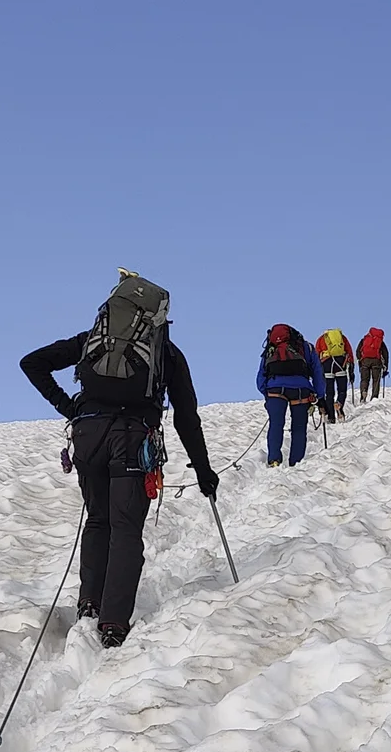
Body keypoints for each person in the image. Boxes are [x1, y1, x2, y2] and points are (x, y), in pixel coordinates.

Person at [20, 271, 218, 648]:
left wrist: (70, 408)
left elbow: (32, 362)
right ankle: (113, 624)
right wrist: (203, 469)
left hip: (88, 437)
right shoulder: (167, 354)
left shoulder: (92, 340)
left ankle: (89, 605)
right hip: (133, 440)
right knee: (126, 529)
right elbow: (186, 417)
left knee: (98, 520)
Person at [256, 324, 327, 467]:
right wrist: (320, 396)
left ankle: (274, 459)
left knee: (276, 424)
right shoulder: (306, 347)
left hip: (275, 389)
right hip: (301, 390)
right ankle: (296, 463)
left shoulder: (271, 348)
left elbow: (261, 376)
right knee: (299, 427)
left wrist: (267, 393)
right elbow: (317, 372)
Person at [315, 328, 355, 421]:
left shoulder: (321, 339)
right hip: (340, 363)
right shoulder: (342, 338)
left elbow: (317, 353)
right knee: (342, 390)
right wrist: (351, 367)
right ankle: (339, 404)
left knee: (329, 393)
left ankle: (331, 417)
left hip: (327, 364)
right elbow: (349, 351)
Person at [356, 327, 390, 401]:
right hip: (376, 361)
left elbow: (358, 351)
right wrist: (386, 367)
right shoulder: (380, 342)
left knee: (364, 379)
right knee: (376, 380)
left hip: (365, 361)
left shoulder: (364, 340)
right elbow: (385, 354)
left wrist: (360, 359)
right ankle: (374, 396)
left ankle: (363, 393)